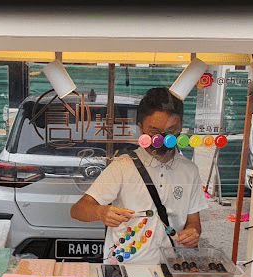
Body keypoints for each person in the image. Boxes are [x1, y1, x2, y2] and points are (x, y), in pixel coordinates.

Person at [70, 88, 208, 264]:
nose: (161, 140)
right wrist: (100, 212)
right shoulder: (122, 166)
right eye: (153, 132)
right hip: (125, 268)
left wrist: (192, 233)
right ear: (141, 128)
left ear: (181, 126)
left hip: (171, 267)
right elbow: (77, 210)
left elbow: (194, 222)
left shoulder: (190, 171)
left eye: (171, 131)